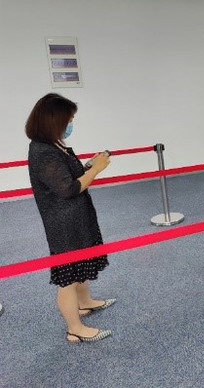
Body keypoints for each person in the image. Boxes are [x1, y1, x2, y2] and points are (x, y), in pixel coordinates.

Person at [26, 93, 114, 343]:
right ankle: (74, 328)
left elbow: (67, 177)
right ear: (54, 120)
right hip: (63, 222)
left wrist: (88, 167)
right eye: (69, 119)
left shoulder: (54, 144)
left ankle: (84, 302)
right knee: (68, 276)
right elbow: (67, 189)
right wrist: (96, 171)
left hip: (77, 216)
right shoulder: (43, 151)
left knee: (82, 263)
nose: (71, 123)